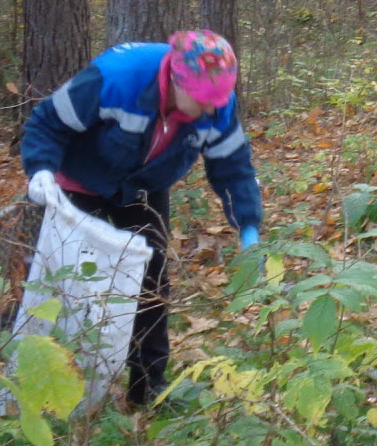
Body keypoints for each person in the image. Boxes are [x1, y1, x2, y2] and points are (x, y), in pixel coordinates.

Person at [20, 30, 262, 408]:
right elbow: (48, 121)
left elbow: (233, 167)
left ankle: (148, 386)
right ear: (175, 80)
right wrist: (40, 169)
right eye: (203, 101)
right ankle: (54, 390)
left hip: (145, 188)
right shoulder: (119, 76)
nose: (212, 109)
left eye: (218, 101)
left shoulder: (218, 105)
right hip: (81, 182)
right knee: (75, 283)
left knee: (151, 283)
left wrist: (248, 227)